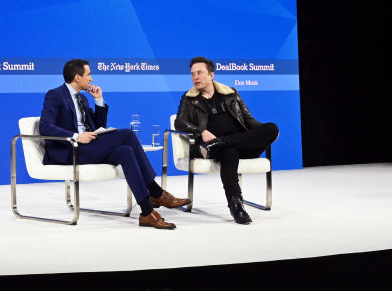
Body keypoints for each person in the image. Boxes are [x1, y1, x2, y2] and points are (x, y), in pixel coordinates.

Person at [40, 59, 189, 229]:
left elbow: (97, 127)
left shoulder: (83, 98)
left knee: (125, 151)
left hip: (88, 147)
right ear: (77, 77)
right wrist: (76, 136)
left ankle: (146, 212)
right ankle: (156, 192)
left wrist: (99, 100)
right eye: (88, 74)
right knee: (127, 134)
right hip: (69, 150)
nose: (91, 79)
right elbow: (45, 127)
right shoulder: (55, 95)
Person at [174, 56, 279, 225]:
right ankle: (236, 205)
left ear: (211, 75)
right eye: (192, 74)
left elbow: (248, 119)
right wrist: (201, 131)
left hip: (241, 145)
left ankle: (223, 141)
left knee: (272, 128)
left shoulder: (230, 93)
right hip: (212, 149)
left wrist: (263, 131)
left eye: (200, 73)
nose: (195, 77)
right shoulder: (189, 98)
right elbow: (179, 122)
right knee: (229, 151)